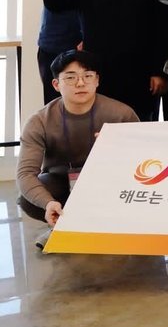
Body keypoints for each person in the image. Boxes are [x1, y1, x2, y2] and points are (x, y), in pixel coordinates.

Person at [17, 50, 139, 248]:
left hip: (108, 182)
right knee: (29, 199)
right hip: (62, 183)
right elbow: (25, 174)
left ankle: (90, 227)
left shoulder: (121, 114)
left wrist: (116, 151)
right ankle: (63, 224)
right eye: (71, 77)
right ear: (56, 84)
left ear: (97, 81)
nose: (81, 83)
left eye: (88, 76)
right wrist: (48, 203)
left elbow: (143, 162)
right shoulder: (39, 121)